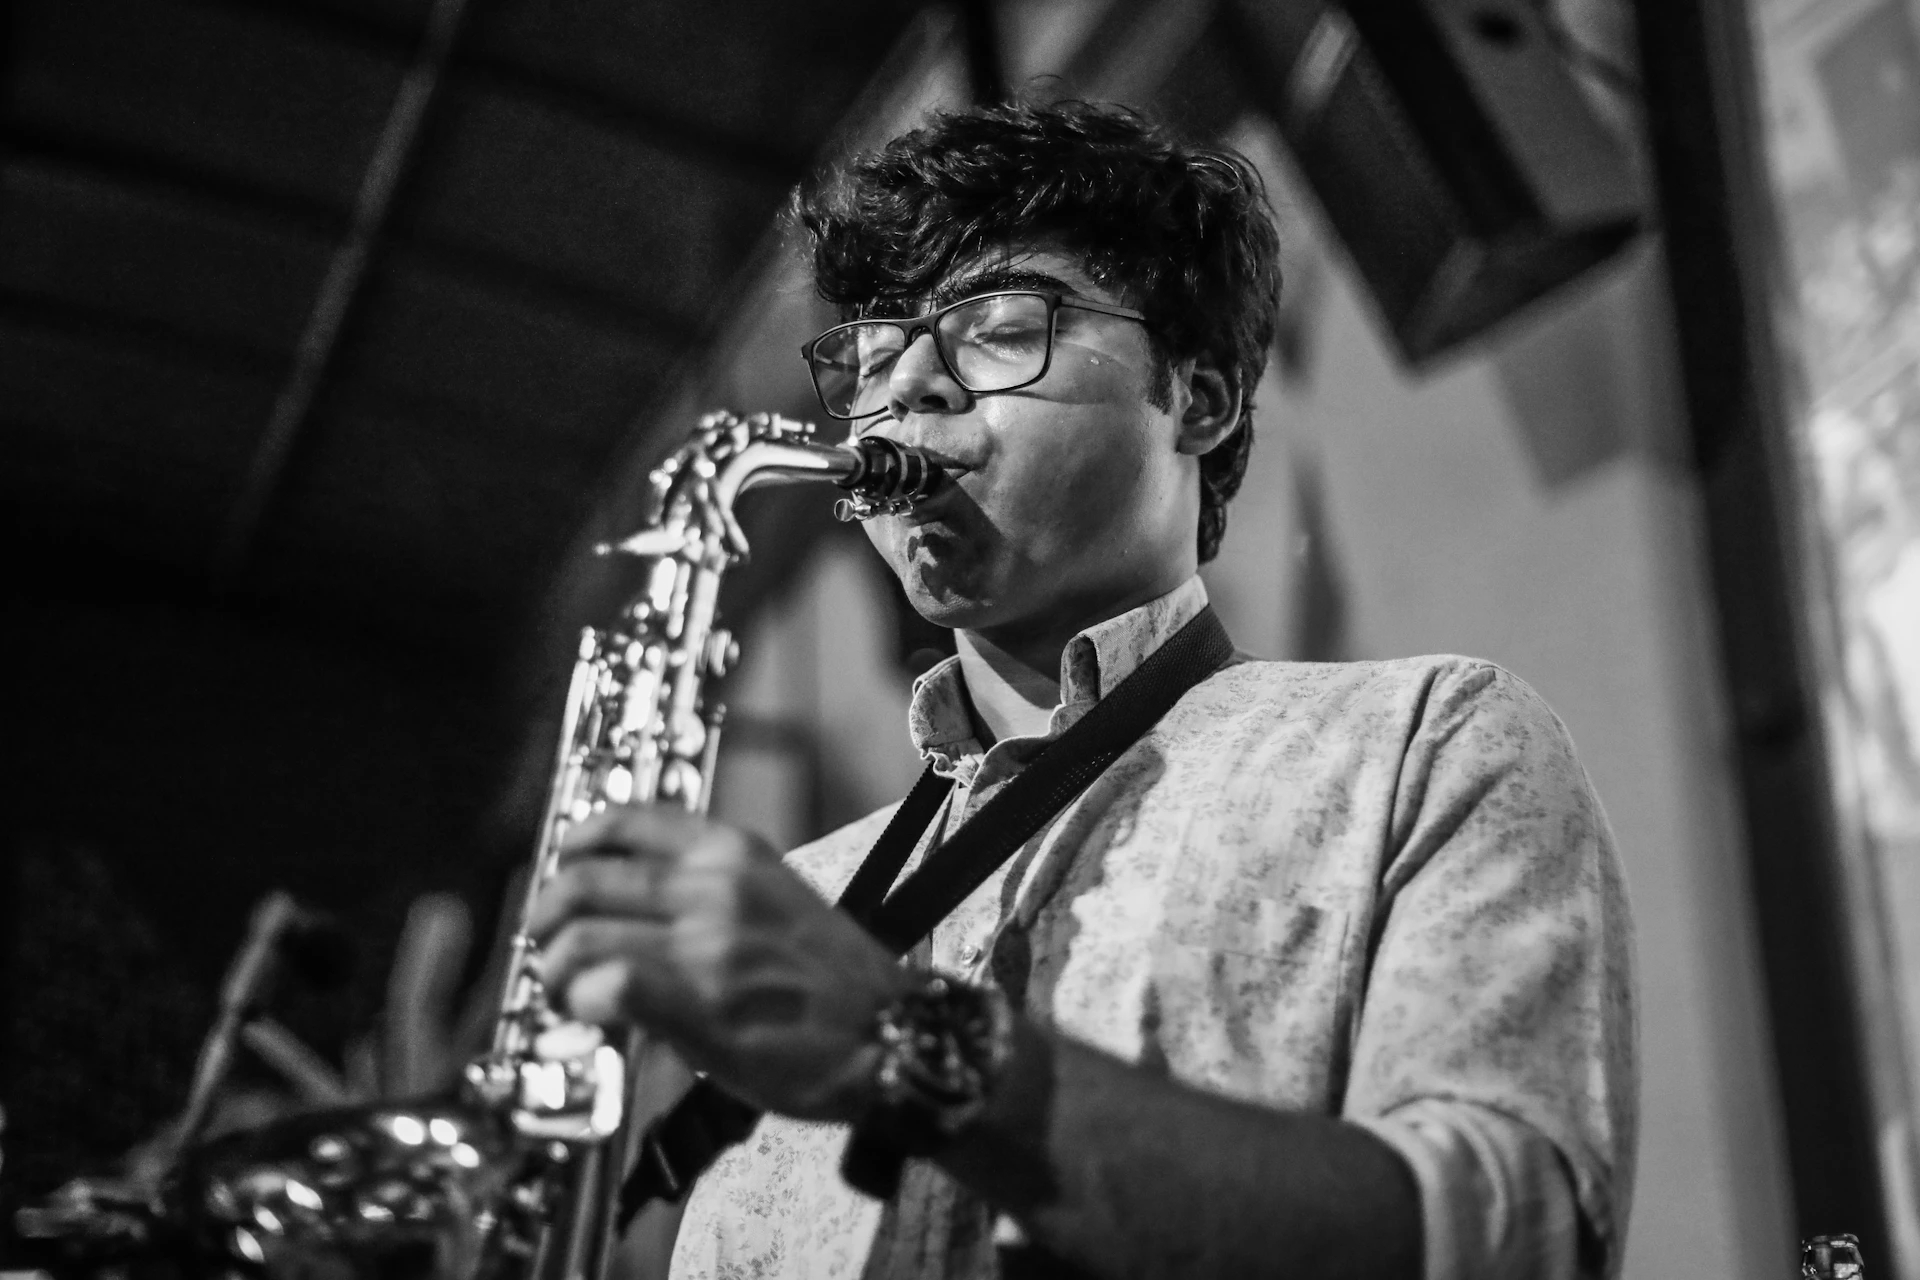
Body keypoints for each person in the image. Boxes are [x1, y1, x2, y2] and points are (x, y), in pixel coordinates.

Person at [527, 101, 1637, 1280]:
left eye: (997, 327)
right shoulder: (808, 894)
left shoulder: (1426, 740)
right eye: (871, 354)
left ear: (1197, 398)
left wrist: (896, 1039)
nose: (907, 391)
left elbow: (1509, 1245)